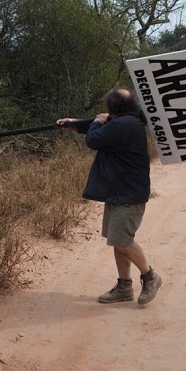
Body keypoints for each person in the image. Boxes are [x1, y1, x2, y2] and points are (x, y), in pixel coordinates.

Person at [56, 87, 162, 306]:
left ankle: (150, 277)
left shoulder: (125, 124)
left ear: (112, 106)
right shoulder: (127, 121)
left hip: (129, 194)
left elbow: (94, 139)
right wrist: (75, 122)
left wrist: (96, 121)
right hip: (119, 192)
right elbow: (104, 127)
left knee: (122, 240)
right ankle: (124, 286)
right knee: (117, 240)